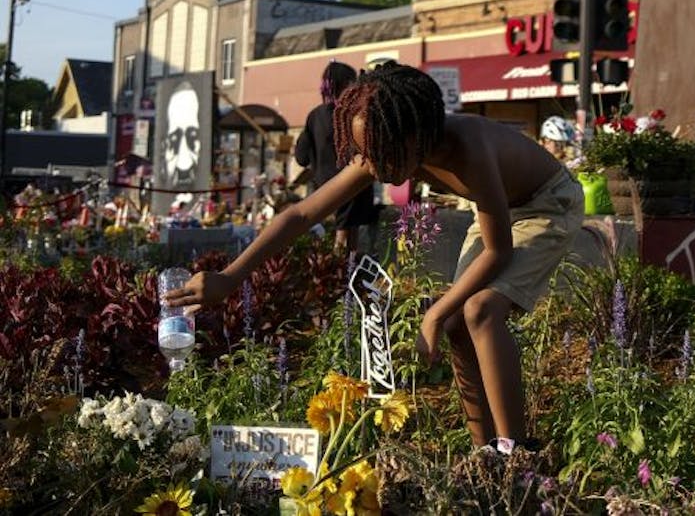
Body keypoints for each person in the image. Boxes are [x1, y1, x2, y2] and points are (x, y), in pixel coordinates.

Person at [167, 62, 582, 452]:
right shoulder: (382, 152)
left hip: (546, 203)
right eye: (365, 152)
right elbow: (300, 213)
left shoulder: (468, 150)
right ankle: (485, 451)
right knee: (459, 323)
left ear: (417, 135)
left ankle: (517, 455)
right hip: (498, 210)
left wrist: (433, 313)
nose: (375, 168)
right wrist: (230, 276)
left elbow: (499, 251)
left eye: (384, 153)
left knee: (480, 309)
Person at [294, 61, 376, 252]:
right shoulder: (353, 115)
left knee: (336, 239)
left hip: (323, 190)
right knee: (346, 238)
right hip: (351, 186)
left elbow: (301, 157)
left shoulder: (314, 116)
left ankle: (338, 274)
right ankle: (344, 274)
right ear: (347, 84)